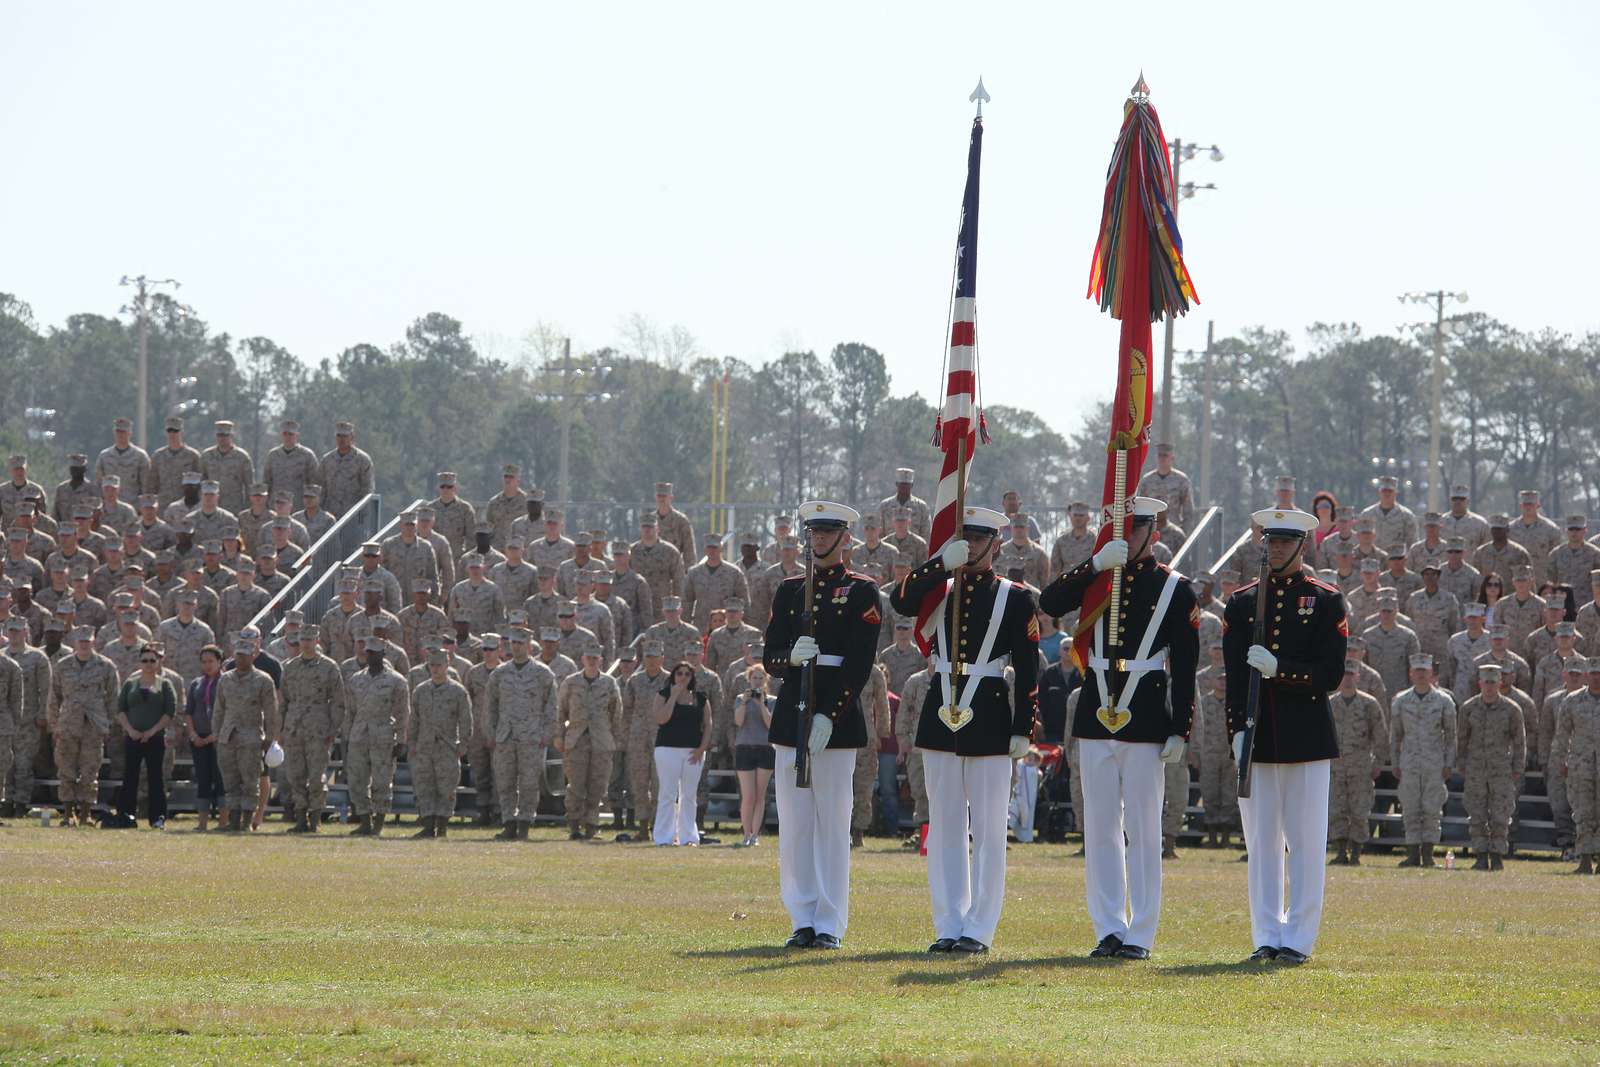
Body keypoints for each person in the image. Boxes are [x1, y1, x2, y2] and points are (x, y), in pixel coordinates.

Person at [1040, 496, 1198, 962]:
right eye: (1119, 531)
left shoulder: (1175, 589)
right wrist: (1092, 566)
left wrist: (1180, 726)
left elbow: (1185, 666)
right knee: (1101, 826)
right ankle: (1108, 927)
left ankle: (1142, 932)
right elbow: (1050, 602)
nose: (1124, 540)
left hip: (1146, 713)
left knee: (1144, 827)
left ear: (1153, 532)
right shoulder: (1100, 576)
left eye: (1133, 531)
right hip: (1095, 709)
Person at [891, 505, 1039, 954]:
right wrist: (939, 563)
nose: (971, 546)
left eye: (978, 540)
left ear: (996, 544)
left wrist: (1022, 727)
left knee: (990, 830)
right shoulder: (940, 589)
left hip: (991, 713)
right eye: (966, 538)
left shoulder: (1015, 597)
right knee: (945, 825)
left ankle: (979, 927)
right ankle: (948, 923)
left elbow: (1029, 668)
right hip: (941, 713)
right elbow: (899, 600)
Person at [1223, 507, 1346, 966]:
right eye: (1269, 542)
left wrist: (1283, 671)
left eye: (1283, 543)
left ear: (1302, 546)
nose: (1274, 550)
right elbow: (1234, 678)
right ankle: (1265, 934)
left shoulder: (1326, 600)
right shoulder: (1241, 603)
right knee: (1262, 846)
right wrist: (1236, 730)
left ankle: (1298, 938)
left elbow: (1330, 674)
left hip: (1306, 739)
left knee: (1306, 843)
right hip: (1258, 739)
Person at [761, 501, 881, 950]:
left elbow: (859, 663)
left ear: (844, 538)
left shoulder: (862, 590)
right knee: (794, 825)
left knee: (833, 823)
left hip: (836, 717)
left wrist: (829, 716)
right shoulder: (790, 590)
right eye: (812, 533)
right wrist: (789, 657)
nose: (817, 540)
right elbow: (769, 656)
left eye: (826, 533)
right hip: (793, 710)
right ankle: (801, 917)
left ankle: (829, 921)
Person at [485, 627, 559, 841]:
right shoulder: (500, 673)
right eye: (513, 643)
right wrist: (490, 733)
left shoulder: (543, 673)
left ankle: (525, 823)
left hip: (531, 737)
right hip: (505, 736)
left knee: (529, 783)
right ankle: (508, 823)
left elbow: (551, 706)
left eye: (520, 643)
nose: (516, 647)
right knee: (505, 781)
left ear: (529, 646)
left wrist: (548, 733)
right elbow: (490, 706)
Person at [1390, 655, 1458, 868]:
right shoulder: (1400, 700)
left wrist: (1448, 763)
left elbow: (1452, 735)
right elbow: (1396, 735)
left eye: (1424, 671)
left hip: (1434, 763)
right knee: (1410, 807)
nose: (1420, 674)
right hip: (1409, 762)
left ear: (1432, 674)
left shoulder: (1444, 701)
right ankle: (1412, 854)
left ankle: (1428, 855)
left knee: (1432, 809)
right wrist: (1395, 762)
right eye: (1417, 670)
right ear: (1411, 673)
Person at [1457, 661, 1525, 870]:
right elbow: (1462, 739)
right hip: (1476, 769)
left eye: (1493, 682)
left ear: (1500, 683)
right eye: (1486, 682)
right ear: (1479, 683)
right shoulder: (1468, 708)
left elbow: (1519, 741)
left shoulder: (1511, 709)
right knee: (1476, 813)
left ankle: (1496, 855)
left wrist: (1517, 768)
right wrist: (1462, 764)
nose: (1489, 686)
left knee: (1500, 814)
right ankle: (1480, 854)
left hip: (1501, 769)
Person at [49, 626, 120, 828]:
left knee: (90, 770)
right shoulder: (63, 665)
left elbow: (113, 697)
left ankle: (86, 814)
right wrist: (54, 725)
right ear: (74, 642)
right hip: (68, 723)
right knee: (66, 770)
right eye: (80, 641)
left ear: (93, 642)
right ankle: (67, 814)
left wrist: (108, 723)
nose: (84, 644)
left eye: (87, 641)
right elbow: (54, 697)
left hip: (93, 724)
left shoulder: (105, 666)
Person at [342, 636, 410, 836]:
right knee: (357, 780)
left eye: (374, 653)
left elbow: (402, 713)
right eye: (367, 652)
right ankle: (364, 820)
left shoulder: (396, 681)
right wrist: (346, 738)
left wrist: (401, 739)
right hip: (359, 736)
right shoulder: (356, 679)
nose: (369, 656)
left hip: (383, 737)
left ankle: (378, 823)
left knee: (381, 781)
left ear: (383, 654)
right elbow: (350, 711)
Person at [212, 636, 281, 834]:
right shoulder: (225, 679)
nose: (240, 660)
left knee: (250, 780)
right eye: (238, 655)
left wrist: (269, 737)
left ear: (253, 656)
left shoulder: (263, 680)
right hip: (228, 737)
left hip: (251, 737)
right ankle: (233, 820)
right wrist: (216, 734)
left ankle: (246, 821)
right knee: (230, 780)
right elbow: (219, 709)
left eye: (245, 656)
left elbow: (271, 711)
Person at [280, 625, 344, 833]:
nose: (306, 644)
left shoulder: (329, 667)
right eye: (303, 640)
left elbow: (337, 701)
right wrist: (280, 729)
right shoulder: (290, 667)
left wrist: (333, 729)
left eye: (310, 640)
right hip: (294, 727)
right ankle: (300, 818)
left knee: (316, 775)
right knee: (295, 775)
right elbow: (284, 701)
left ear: (317, 640)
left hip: (318, 727)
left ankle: (315, 817)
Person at [557, 640, 623, 840]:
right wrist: (559, 736)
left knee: (598, 785)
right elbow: (561, 711)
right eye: (589, 658)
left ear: (600, 660)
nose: (592, 661)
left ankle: (592, 825)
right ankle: (575, 825)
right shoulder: (571, 682)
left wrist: (613, 737)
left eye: (595, 658)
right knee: (575, 785)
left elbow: (616, 712)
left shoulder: (609, 683)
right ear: (583, 659)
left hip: (601, 741)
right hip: (576, 740)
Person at [1326, 662, 1388, 865]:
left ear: (1358, 678)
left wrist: (1378, 762)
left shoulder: (1369, 704)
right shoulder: (1330, 703)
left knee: (1359, 811)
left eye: (1351, 675)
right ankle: (1340, 851)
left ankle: (1356, 853)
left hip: (1361, 766)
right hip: (1336, 766)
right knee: (1337, 810)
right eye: (1344, 675)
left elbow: (1380, 735)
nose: (1347, 678)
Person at [408, 649, 472, 838]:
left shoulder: (458, 691)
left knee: (446, 787)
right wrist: (411, 742)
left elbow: (466, 720)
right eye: (432, 665)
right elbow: (414, 720)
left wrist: (463, 743)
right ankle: (428, 826)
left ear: (447, 665)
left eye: (439, 665)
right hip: (424, 746)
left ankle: (442, 826)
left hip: (447, 746)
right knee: (424, 785)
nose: (435, 669)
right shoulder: (421, 690)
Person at [114, 644, 176, 828]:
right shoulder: (130, 684)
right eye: (144, 660)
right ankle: (126, 816)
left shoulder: (164, 684)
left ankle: (157, 818)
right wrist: (130, 730)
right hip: (133, 738)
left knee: (156, 778)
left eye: (152, 660)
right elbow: (120, 709)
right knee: (130, 777)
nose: (148, 664)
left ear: (158, 662)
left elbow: (169, 712)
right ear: (139, 662)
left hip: (155, 738)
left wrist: (153, 731)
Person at [651, 661, 711, 846]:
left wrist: (702, 748)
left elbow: (708, 724)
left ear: (692, 677)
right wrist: (673, 696)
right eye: (679, 673)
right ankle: (663, 838)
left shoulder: (701, 698)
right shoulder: (663, 694)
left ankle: (689, 837)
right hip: (667, 750)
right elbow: (661, 719)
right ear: (673, 676)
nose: (683, 677)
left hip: (693, 752)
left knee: (689, 796)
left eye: (687, 674)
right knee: (668, 794)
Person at [1555, 657, 1600, 873]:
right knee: (1582, 812)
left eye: (1599, 673)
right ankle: (1584, 859)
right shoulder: (1572, 701)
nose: (1597, 677)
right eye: (1593, 673)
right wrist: (1560, 760)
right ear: (1586, 675)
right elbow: (1562, 734)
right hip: (1580, 765)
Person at [732, 667, 775, 847]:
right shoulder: (741, 699)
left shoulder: (772, 701)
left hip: (765, 748)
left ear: (765, 680)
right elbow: (738, 722)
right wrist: (745, 703)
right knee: (748, 796)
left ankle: (755, 834)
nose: (757, 681)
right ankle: (745, 833)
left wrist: (761, 704)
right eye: (754, 678)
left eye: (760, 678)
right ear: (749, 680)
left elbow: (770, 724)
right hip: (745, 748)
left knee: (760, 795)